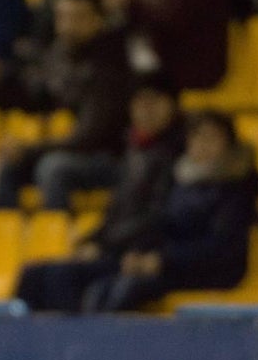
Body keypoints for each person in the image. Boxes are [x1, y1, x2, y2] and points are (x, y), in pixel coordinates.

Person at [15, 71, 187, 312]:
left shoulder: (178, 155)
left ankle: (69, 347)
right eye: (140, 102)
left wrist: (105, 246)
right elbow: (117, 211)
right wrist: (91, 240)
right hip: (117, 247)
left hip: (139, 253)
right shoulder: (135, 151)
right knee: (33, 275)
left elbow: (158, 217)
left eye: (154, 101)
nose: (146, 109)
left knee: (63, 278)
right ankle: (22, 347)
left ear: (172, 106)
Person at [81, 110, 258, 312]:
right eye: (196, 137)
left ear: (229, 144)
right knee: (100, 287)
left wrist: (163, 260)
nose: (202, 144)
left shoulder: (237, 187)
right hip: (173, 265)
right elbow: (159, 224)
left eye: (210, 137)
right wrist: (138, 254)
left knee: (128, 288)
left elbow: (221, 245)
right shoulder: (180, 180)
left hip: (211, 271)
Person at [0, 0, 132, 209]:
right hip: (71, 150)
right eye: (62, 17)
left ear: (98, 20)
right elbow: (36, 97)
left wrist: (28, 150)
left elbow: (89, 138)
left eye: (78, 17)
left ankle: (59, 240)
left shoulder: (109, 67)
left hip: (110, 157)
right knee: (8, 165)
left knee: (53, 169)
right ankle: (3, 241)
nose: (68, 26)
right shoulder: (59, 55)